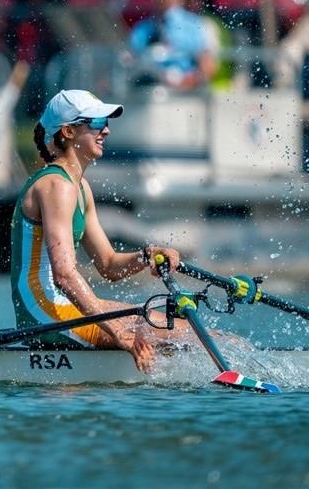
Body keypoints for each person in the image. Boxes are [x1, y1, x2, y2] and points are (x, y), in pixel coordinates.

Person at [12, 89, 188, 372]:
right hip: (46, 314)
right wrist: (118, 334)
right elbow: (65, 275)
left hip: (61, 308)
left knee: (176, 328)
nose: (105, 130)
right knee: (183, 336)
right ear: (68, 131)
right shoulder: (56, 186)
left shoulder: (80, 188)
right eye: (95, 123)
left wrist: (148, 255)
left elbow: (108, 265)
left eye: (105, 123)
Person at [129, 0, 219, 90]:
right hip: (149, 99)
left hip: (186, 100)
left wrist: (186, 81)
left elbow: (209, 67)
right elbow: (130, 67)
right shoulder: (141, 30)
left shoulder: (199, 26)